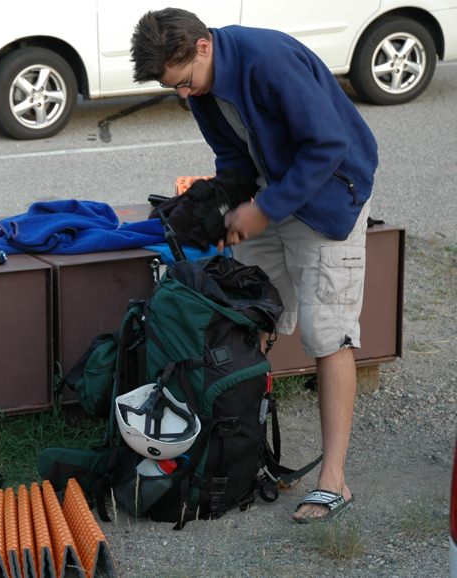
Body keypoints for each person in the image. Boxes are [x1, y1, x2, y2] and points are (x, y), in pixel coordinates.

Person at [131, 8, 378, 523]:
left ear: (202, 47)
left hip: (329, 199)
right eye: (173, 89)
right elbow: (233, 157)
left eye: (185, 83)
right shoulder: (200, 88)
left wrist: (264, 209)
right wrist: (218, 201)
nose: (184, 95)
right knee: (246, 314)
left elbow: (328, 143)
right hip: (273, 197)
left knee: (327, 333)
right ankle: (243, 445)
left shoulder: (267, 61)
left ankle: (334, 481)